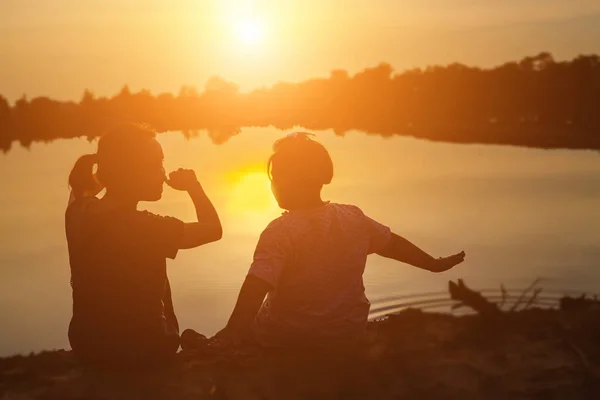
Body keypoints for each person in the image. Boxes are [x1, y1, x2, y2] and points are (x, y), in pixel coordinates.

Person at [214, 132, 465, 348]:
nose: (273, 184)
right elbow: (392, 244)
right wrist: (431, 263)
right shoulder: (352, 218)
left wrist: (234, 330)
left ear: (285, 182)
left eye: (276, 177)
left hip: (287, 337)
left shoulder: (281, 231)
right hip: (347, 332)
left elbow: (256, 285)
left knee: (251, 328)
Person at [65, 123, 222, 366]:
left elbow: (81, 192)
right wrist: (193, 186)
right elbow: (213, 229)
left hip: (87, 345)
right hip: (146, 349)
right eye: (156, 164)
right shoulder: (148, 227)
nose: (163, 173)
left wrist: (103, 172)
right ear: (130, 172)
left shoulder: (78, 213)